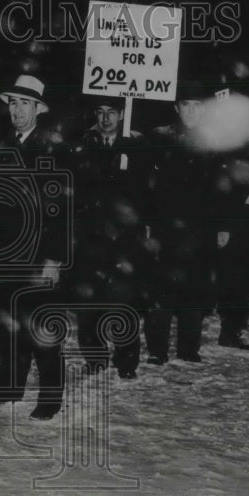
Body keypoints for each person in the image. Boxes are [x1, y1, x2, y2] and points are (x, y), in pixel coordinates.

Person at [0, 75, 69, 420]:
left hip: (38, 255)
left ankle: (50, 397)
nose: (17, 110)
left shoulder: (52, 148)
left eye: (24, 104)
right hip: (4, 255)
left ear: (38, 109)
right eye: (13, 103)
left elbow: (62, 209)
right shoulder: (1, 146)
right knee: (4, 325)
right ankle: (8, 386)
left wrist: (54, 258)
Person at [68, 95, 148, 378]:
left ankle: (126, 362)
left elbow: (145, 191)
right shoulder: (82, 144)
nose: (105, 118)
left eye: (111, 112)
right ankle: (94, 358)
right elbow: (75, 188)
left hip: (124, 237)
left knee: (122, 300)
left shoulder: (137, 144)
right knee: (89, 301)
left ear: (122, 112)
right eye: (100, 112)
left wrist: (131, 160)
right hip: (90, 235)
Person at [142, 82, 218, 364]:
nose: (192, 111)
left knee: (194, 291)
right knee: (161, 291)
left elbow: (222, 187)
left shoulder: (214, 141)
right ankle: (157, 351)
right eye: (186, 105)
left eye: (198, 106)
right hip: (165, 227)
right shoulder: (160, 137)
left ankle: (189, 349)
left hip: (200, 229)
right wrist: (149, 221)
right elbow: (146, 183)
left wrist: (219, 225)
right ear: (177, 108)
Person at [209, 88, 249, 350]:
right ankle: (229, 329)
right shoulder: (217, 142)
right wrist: (222, 225)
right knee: (229, 277)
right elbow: (216, 186)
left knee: (242, 278)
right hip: (225, 222)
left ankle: (234, 328)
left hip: (246, 224)